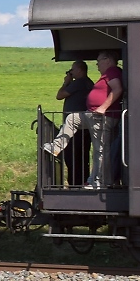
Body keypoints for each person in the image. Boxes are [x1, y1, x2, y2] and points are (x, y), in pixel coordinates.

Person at [43, 51, 124, 189]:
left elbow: (117, 89)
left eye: (99, 61)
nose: (97, 65)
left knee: (100, 150)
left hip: (102, 116)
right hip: (92, 115)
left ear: (108, 60)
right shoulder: (106, 74)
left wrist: (103, 107)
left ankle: (100, 181)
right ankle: (56, 147)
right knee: (72, 119)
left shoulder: (112, 72)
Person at [55, 60, 93, 186]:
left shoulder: (79, 83)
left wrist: (66, 82)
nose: (71, 72)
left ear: (79, 70)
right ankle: (82, 181)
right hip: (84, 127)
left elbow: (59, 95)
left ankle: (75, 184)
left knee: (72, 157)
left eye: (72, 70)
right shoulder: (88, 83)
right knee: (82, 157)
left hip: (76, 128)